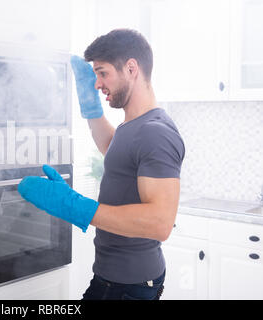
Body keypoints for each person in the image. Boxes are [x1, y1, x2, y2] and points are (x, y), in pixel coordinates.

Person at [18, 28, 185, 300]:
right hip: (114, 280)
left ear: (131, 68)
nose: (97, 83)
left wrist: (73, 206)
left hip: (128, 287)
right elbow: (117, 152)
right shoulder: (133, 125)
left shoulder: (155, 132)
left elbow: (160, 223)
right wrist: (90, 106)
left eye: (103, 73)